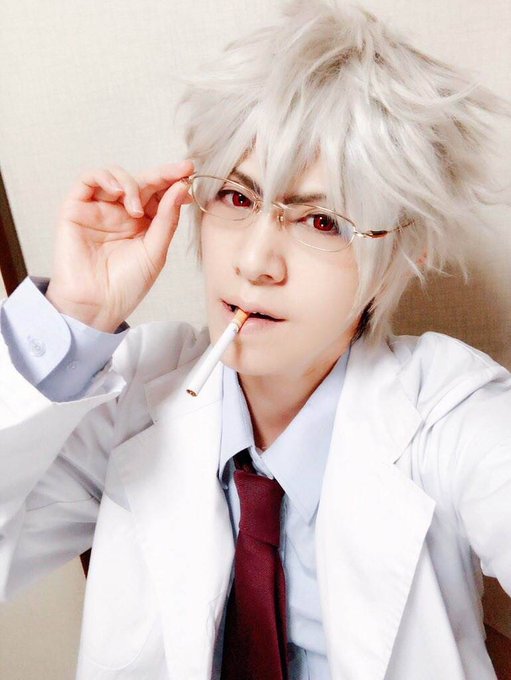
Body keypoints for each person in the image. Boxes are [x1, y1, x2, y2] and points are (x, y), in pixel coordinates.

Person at [1, 1, 510, 678]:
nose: (255, 262)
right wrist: (75, 316)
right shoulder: (132, 395)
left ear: (401, 253)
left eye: (322, 221)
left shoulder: (450, 417)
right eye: (237, 199)